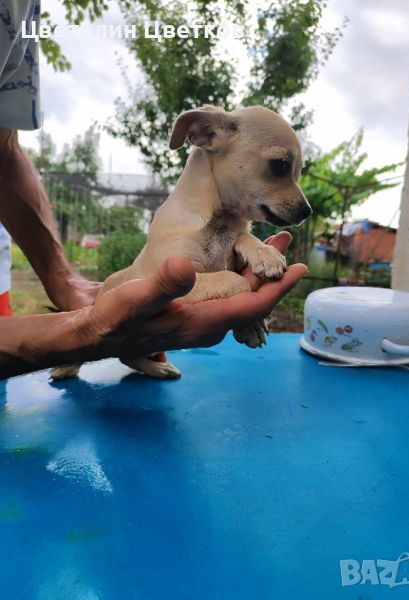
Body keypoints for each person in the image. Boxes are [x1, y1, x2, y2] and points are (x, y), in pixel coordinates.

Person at [0, 1, 308, 380]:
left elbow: (3, 149)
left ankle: (135, 356)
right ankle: (81, 359)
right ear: (206, 135)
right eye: (278, 167)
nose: (298, 198)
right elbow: (187, 285)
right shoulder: (178, 224)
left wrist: (251, 247)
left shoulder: (21, 11)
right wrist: (236, 287)